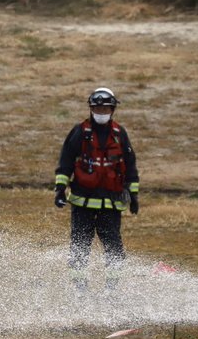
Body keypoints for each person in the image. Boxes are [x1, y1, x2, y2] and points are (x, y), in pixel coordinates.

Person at [54, 87, 139, 291]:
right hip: (82, 203)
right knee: (79, 246)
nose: (101, 113)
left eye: (105, 109)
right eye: (98, 109)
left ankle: (111, 289)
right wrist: (60, 189)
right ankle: (79, 289)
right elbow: (65, 162)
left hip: (111, 204)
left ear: (112, 110)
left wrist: (134, 195)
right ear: (91, 109)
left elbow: (130, 166)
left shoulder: (119, 134)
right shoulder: (79, 133)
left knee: (114, 248)